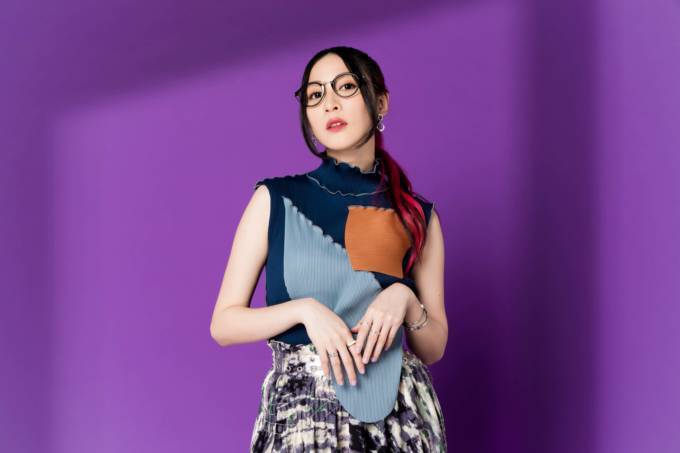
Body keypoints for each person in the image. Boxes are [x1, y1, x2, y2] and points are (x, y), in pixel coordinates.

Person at [210, 46, 448, 452]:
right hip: (304, 421)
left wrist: (406, 299)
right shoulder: (276, 199)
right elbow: (224, 324)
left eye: (346, 87)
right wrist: (304, 311)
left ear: (381, 102)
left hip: (401, 422)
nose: (329, 104)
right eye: (315, 94)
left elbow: (433, 347)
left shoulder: (415, 214)